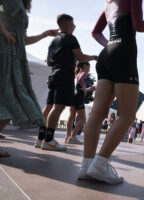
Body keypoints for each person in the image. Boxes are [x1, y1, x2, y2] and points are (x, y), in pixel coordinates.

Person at [80, 0, 144, 184]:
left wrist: (111, 45)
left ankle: (86, 166)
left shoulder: (109, 4)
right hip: (124, 53)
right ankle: (99, 165)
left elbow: (95, 32)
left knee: (97, 114)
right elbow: (138, 25)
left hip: (107, 54)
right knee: (128, 115)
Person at [0, 0, 60, 157]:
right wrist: (4, 32)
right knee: (9, 100)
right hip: (5, 52)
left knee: (13, 101)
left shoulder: (22, 5)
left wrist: (45, 34)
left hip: (16, 55)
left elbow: (24, 40)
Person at [34, 14, 98, 151]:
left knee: (48, 107)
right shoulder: (70, 38)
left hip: (53, 75)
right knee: (59, 107)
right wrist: (94, 57)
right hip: (64, 74)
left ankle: (40, 139)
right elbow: (80, 56)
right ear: (68, 24)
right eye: (74, 25)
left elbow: (49, 61)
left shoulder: (53, 41)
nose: (74, 28)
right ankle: (49, 140)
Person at [66, 62, 96, 144]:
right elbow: (81, 81)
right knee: (83, 119)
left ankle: (68, 137)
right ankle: (73, 136)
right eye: (89, 67)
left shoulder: (77, 75)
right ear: (85, 66)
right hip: (79, 97)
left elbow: (79, 86)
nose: (89, 69)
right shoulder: (84, 73)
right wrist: (84, 87)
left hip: (73, 96)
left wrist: (90, 88)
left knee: (71, 117)